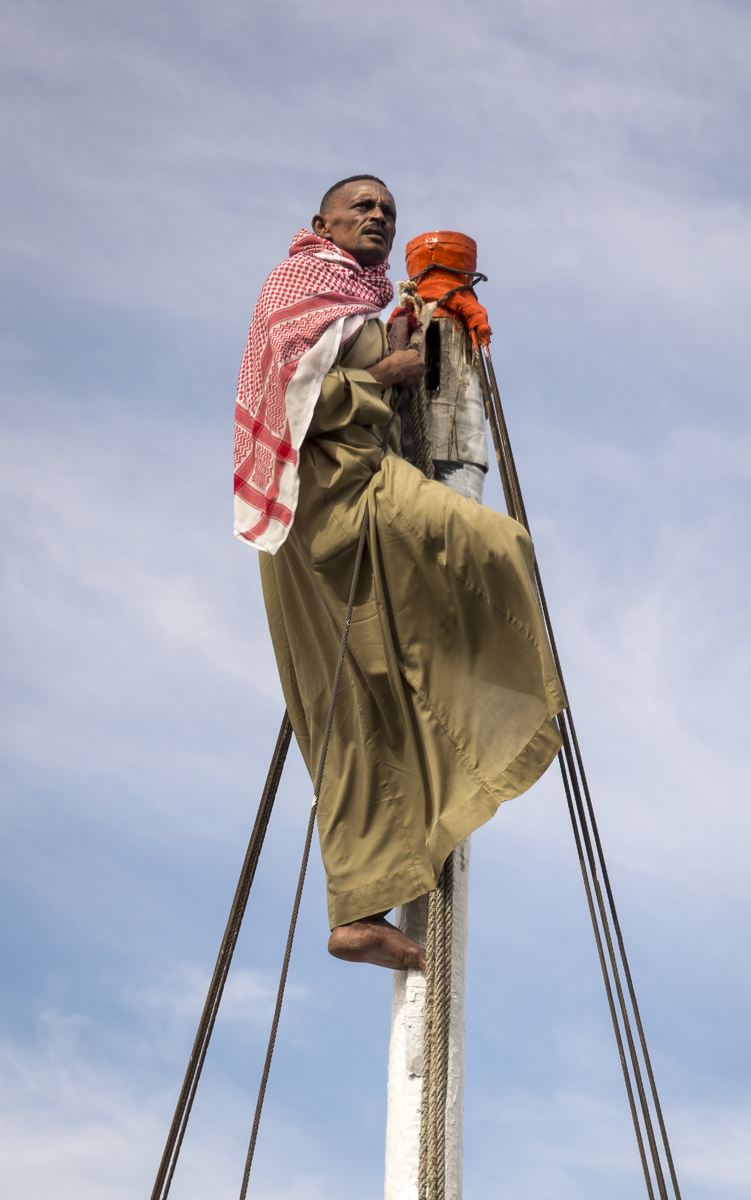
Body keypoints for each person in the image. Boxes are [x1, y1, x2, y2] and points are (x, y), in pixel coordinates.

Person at [234, 176, 565, 971]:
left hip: (365, 482)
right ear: (322, 223)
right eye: (361, 207)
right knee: (493, 552)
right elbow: (287, 403)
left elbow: (371, 368)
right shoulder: (295, 290)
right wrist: (382, 378)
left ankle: (359, 911)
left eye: (387, 208)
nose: (378, 216)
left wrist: (417, 323)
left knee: (376, 695)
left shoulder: (360, 302)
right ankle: (363, 901)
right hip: (326, 498)